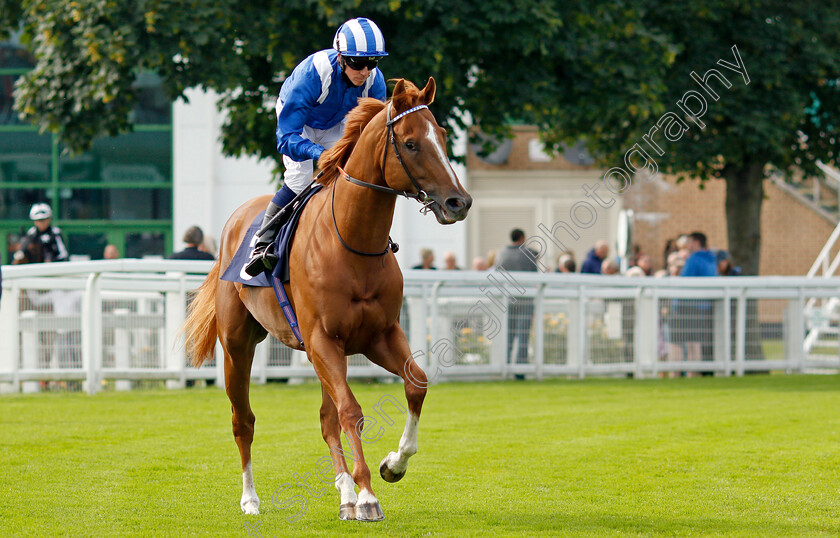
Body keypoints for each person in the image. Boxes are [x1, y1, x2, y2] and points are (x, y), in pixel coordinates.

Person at [245, 17, 389, 276]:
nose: (366, 71)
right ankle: (262, 243)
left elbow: (370, 133)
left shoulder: (374, 82)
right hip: (300, 121)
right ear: (341, 57)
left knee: (356, 174)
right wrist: (320, 154)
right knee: (300, 178)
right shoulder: (312, 73)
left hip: (336, 123)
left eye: (373, 62)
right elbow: (286, 137)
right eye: (358, 63)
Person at [496, 229, 538, 374]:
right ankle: (521, 369)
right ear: (522, 238)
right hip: (525, 299)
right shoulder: (528, 253)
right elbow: (535, 274)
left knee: (507, 334)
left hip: (506, 300)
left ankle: (505, 365)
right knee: (523, 335)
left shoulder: (501, 253)